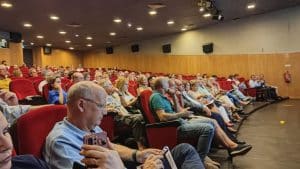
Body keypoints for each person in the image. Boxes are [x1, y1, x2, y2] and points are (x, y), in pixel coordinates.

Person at [43, 81, 204, 169]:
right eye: (101, 106)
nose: (105, 112)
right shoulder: (61, 141)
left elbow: (110, 146)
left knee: (185, 150)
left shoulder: (90, 127)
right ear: (81, 105)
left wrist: (138, 155)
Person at [150, 78, 252, 161]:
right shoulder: (156, 97)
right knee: (208, 128)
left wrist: (174, 97)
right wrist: (181, 114)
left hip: (181, 121)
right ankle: (199, 159)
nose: (170, 87)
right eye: (168, 85)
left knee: (213, 121)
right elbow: (162, 117)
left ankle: (232, 146)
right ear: (162, 87)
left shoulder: (163, 97)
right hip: (175, 127)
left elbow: (178, 110)